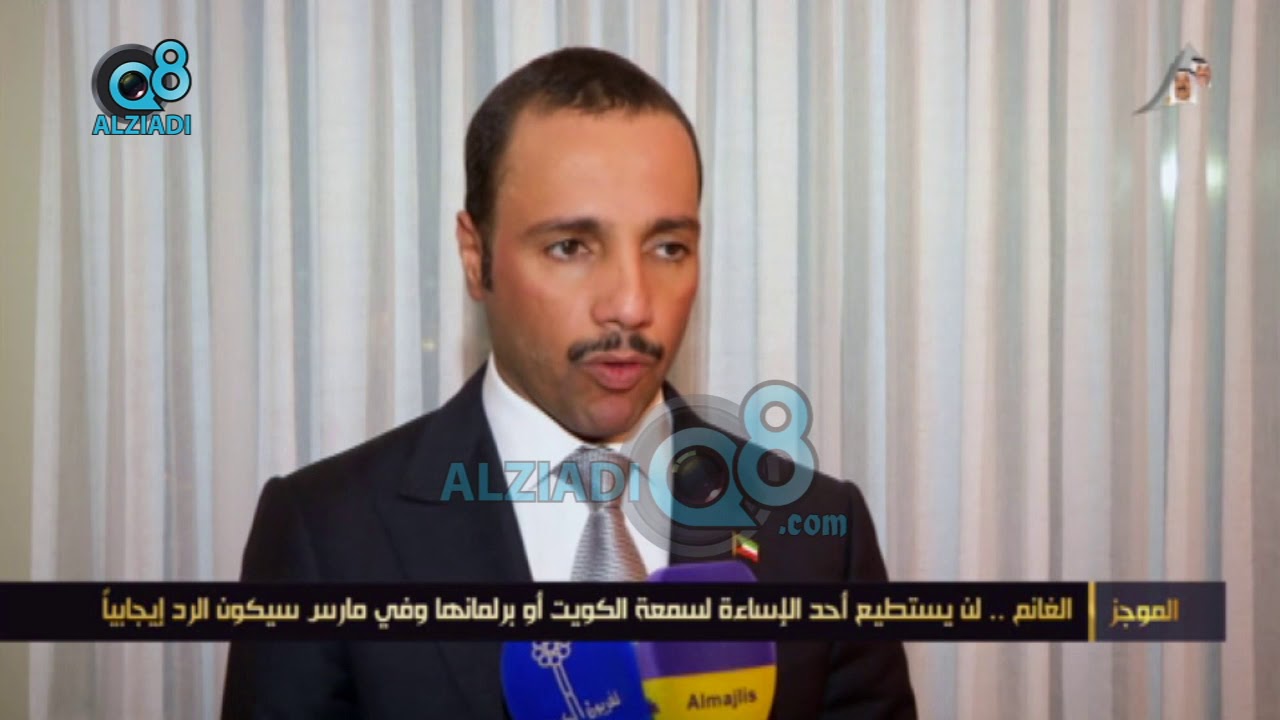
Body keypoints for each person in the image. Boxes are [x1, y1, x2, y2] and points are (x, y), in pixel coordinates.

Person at [221, 46, 916, 719]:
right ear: (476, 256)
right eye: (571, 247)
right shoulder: (326, 536)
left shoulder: (818, 538)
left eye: (668, 247)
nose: (632, 304)